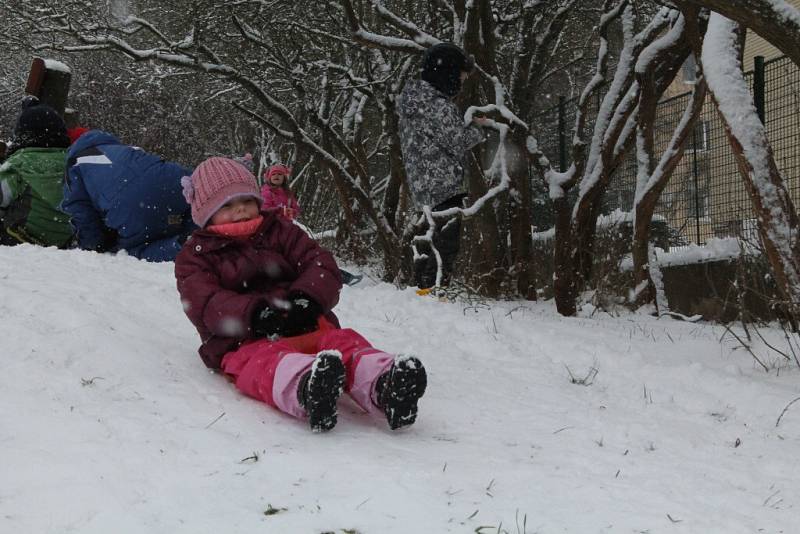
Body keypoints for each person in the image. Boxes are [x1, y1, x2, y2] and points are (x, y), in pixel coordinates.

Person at [175, 157, 426, 432]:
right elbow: (205, 303)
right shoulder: (195, 256)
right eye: (228, 206)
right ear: (207, 213)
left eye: (246, 201)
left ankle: (385, 383)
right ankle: (308, 387)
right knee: (263, 364)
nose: (241, 211)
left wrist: (308, 298)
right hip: (245, 339)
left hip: (302, 320)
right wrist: (254, 314)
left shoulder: (279, 230)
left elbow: (319, 262)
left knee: (342, 343)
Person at [397, 42, 487, 290]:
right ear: (447, 73)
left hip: (423, 184)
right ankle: (434, 293)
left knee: (429, 241)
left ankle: (423, 291)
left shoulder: (415, 101)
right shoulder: (435, 104)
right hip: (443, 183)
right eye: (460, 76)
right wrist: (479, 128)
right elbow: (457, 141)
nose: (461, 82)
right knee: (445, 245)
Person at [62, 129, 196, 262]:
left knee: (132, 250)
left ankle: (183, 246)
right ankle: (202, 239)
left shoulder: (75, 163)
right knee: (185, 222)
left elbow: (81, 212)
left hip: (133, 200)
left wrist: (93, 245)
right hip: (177, 180)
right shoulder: (122, 150)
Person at [261, 163, 363, 286]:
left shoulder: (287, 194)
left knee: (309, 254)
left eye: (280, 174)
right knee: (295, 258)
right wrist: (281, 211)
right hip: (274, 232)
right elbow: (264, 210)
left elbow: (296, 209)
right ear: (269, 177)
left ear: (284, 178)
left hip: (289, 230)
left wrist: (292, 212)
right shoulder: (267, 192)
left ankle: (342, 276)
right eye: (274, 174)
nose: (277, 176)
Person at [0, 98, 73, 248]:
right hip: (67, 240)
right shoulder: (73, 163)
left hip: (23, 237)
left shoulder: (18, 165)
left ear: (22, 134)